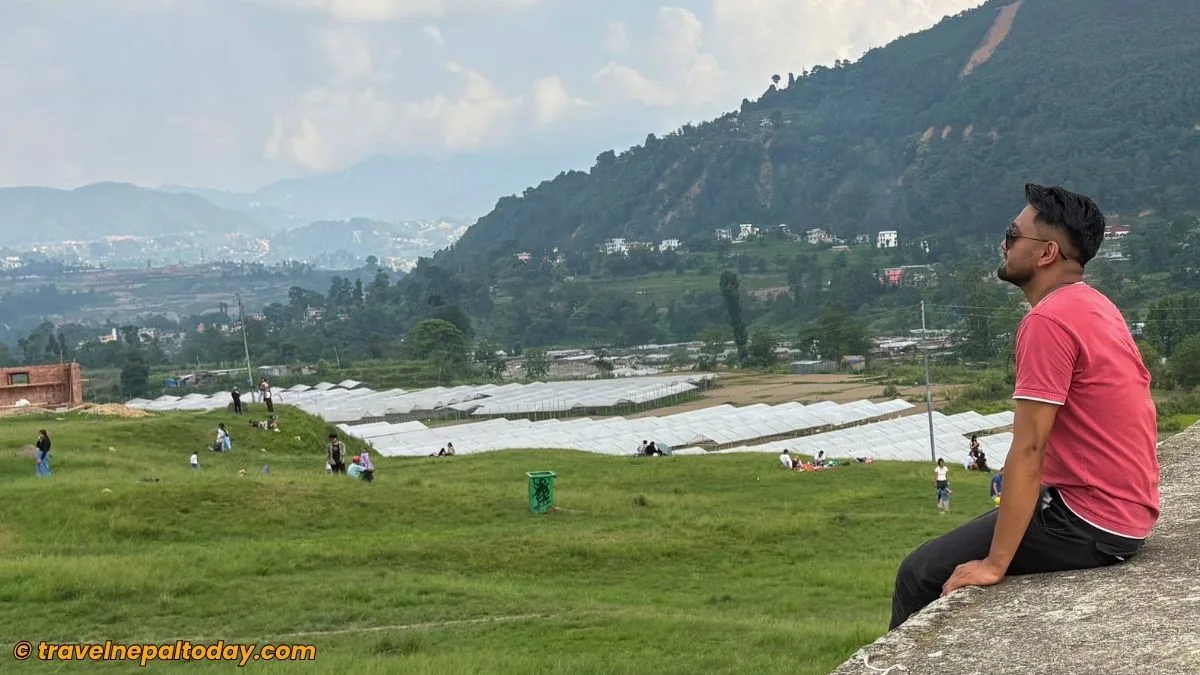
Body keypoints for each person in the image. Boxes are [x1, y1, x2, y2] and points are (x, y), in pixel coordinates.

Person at [890, 184, 1160, 630]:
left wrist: (995, 565)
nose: (1004, 243)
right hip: (1126, 513)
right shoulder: (1095, 305)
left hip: (1087, 521)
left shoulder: (1047, 321)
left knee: (918, 574)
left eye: (1012, 235)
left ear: (1046, 253)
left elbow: (1029, 448)